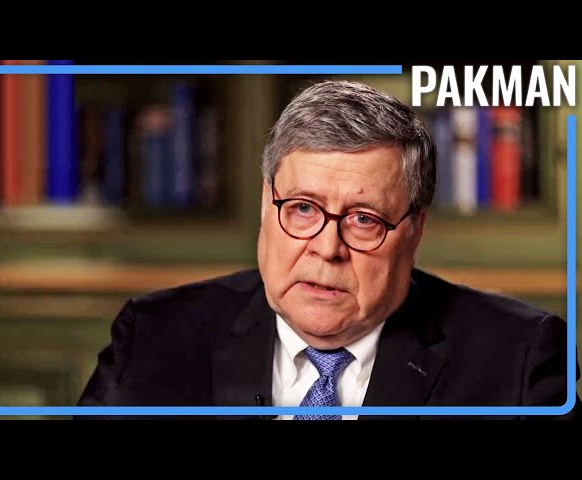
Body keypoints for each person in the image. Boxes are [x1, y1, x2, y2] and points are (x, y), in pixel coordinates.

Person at [76, 79, 581, 420]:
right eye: (302, 208)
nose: (326, 248)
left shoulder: (520, 361)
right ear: (266, 205)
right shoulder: (153, 338)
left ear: (415, 228)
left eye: (363, 219)